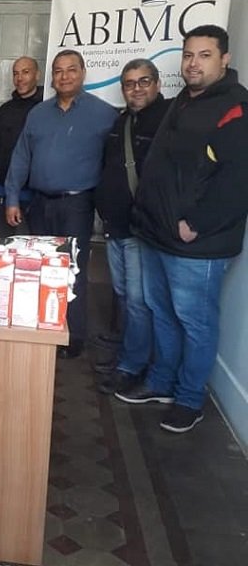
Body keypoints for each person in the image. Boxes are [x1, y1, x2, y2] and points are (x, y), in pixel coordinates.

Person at [115, 25, 248, 433]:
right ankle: (161, 383)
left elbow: (237, 180)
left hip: (196, 242)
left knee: (195, 322)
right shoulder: (185, 103)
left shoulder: (234, 107)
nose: (193, 63)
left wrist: (196, 224)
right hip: (157, 233)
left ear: (224, 59)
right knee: (162, 313)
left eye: (204, 55)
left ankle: (190, 400)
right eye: (189, 55)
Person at [5, 50, 118, 359]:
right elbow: (21, 157)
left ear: (83, 73)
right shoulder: (38, 113)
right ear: (52, 77)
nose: (64, 76)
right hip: (39, 203)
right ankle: (43, 331)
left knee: (72, 271)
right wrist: (12, 197)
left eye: (71, 70)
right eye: (58, 71)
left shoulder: (104, 114)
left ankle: (73, 338)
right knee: (40, 268)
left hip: (77, 204)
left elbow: (115, 164)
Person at [94, 59, 169, 395]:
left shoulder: (167, 120)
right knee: (125, 297)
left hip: (141, 230)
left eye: (143, 81)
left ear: (157, 83)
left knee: (139, 302)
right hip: (115, 226)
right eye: (129, 83)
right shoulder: (121, 121)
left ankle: (132, 367)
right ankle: (127, 356)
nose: (136, 89)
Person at [0, 56, 43, 238]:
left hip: (35, 193)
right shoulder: (5, 110)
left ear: (37, 75)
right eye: (16, 74)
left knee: (32, 244)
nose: (20, 78)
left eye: (25, 72)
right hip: (4, 190)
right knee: (3, 243)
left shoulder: (45, 109)